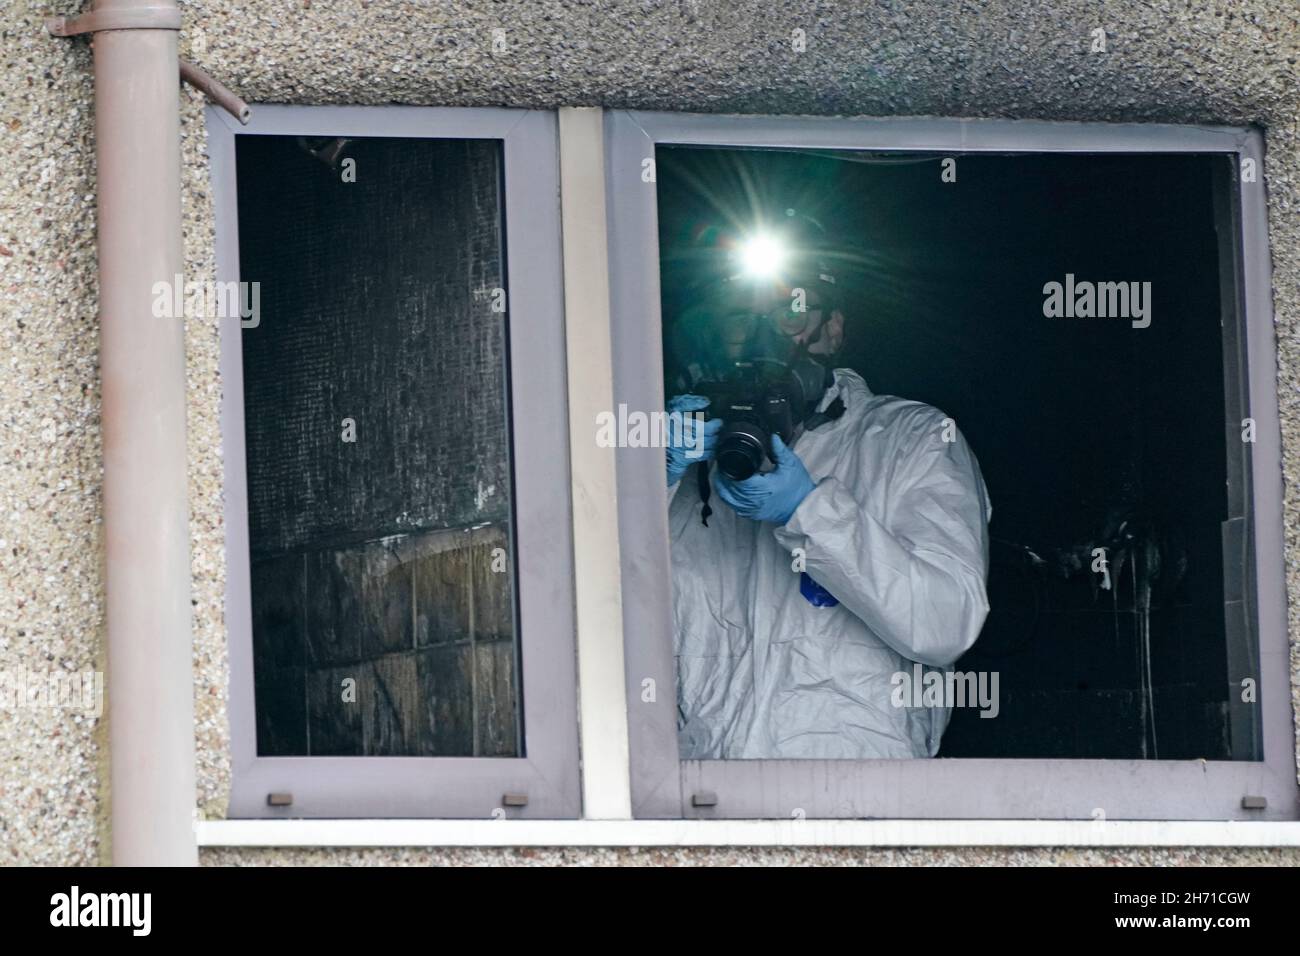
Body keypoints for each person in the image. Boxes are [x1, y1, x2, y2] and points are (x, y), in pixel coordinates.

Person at [664, 224, 992, 760]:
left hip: (856, 802)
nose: (763, 334)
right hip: (705, 796)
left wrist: (810, 513)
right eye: (740, 315)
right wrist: (646, 483)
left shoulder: (910, 439)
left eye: (791, 312)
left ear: (833, 329)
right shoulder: (691, 458)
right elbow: (588, 621)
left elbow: (946, 622)